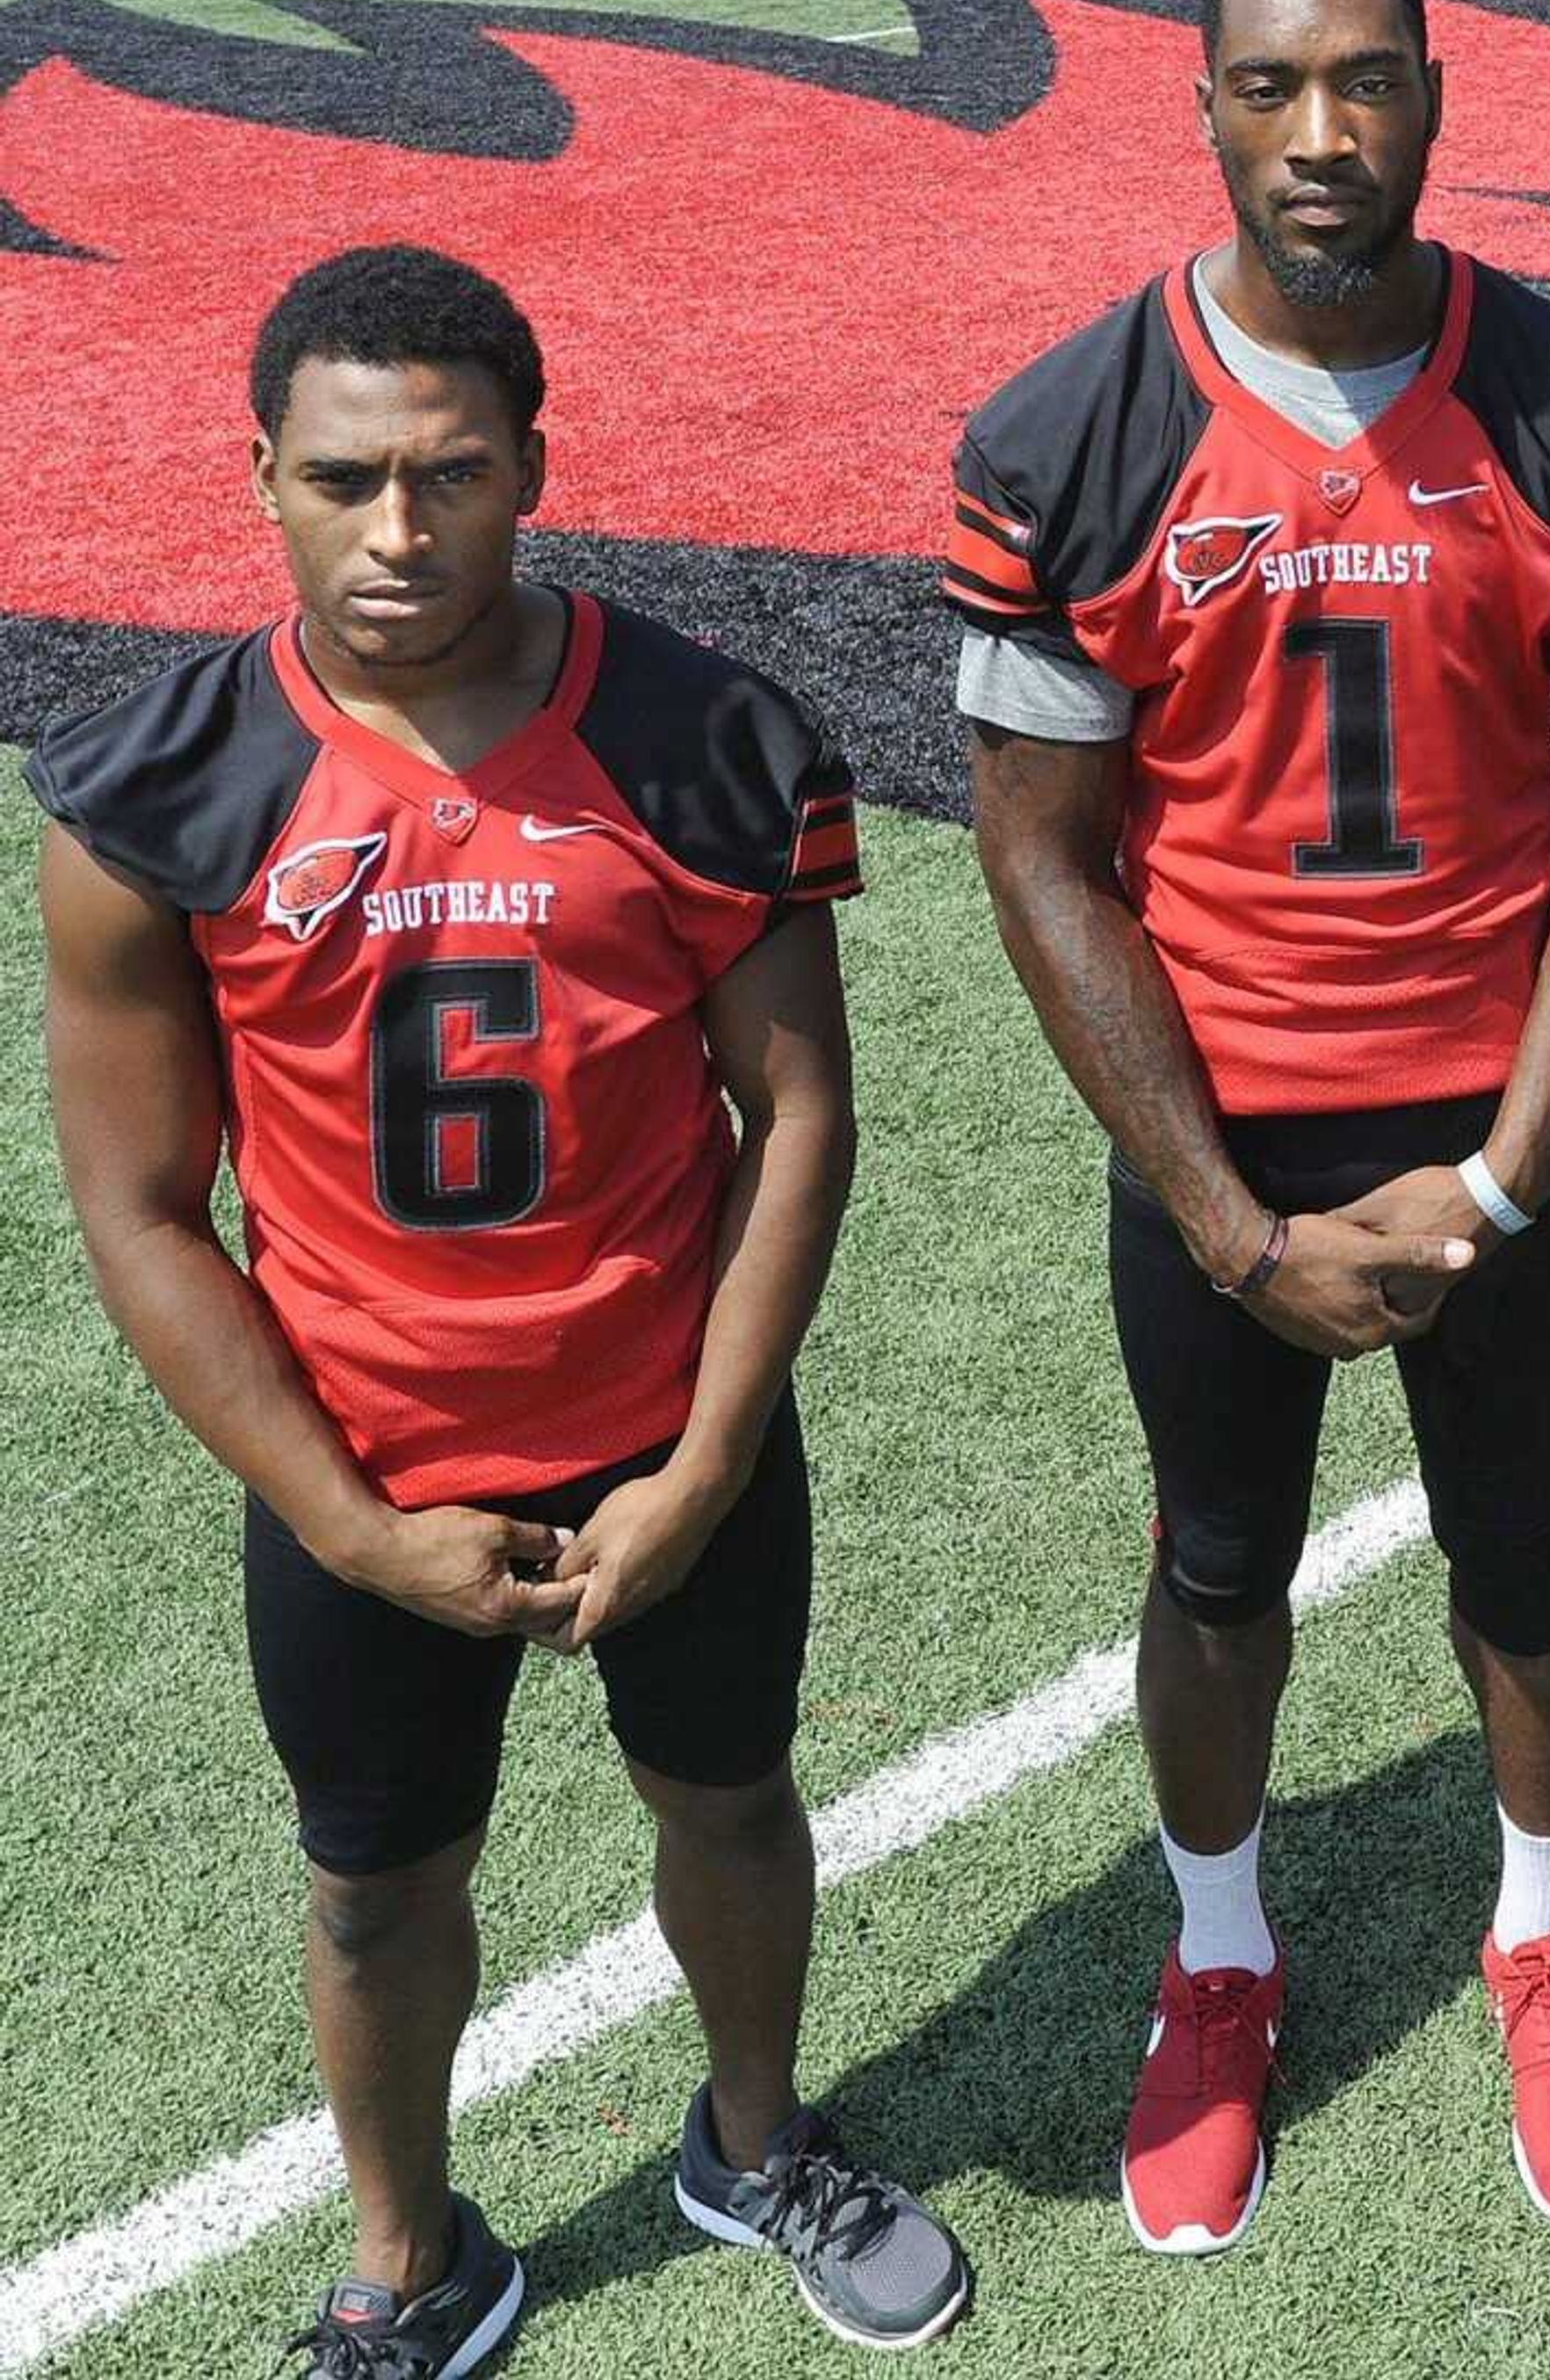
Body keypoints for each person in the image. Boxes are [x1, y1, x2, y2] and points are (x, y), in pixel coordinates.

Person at [30, 245, 967, 2373]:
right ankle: (409, 2252)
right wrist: (354, 1527)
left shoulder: (711, 734)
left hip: (667, 1417)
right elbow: (145, 1210)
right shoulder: (156, 790)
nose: (397, 532)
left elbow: (796, 1115)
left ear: (535, 470)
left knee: (729, 1798)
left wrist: (710, 1459)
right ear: (256, 473)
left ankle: (749, 2139)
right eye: (344, 478)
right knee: (373, 1880)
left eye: (450, 475)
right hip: (358, 1458)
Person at [950, 0, 1550, 2251]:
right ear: (1203, 109)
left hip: (1484, 1128)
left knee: (1523, 1543)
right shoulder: (1073, 438)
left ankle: (1548, 1927)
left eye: (1365, 81)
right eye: (1272, 85)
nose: (1321, 130)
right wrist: (1220, 1215)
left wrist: (1498, 1177)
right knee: (1217, 1567)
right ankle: (1217, 1962)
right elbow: (1045, 861)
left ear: (1431, 103)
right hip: (1226, 1137)